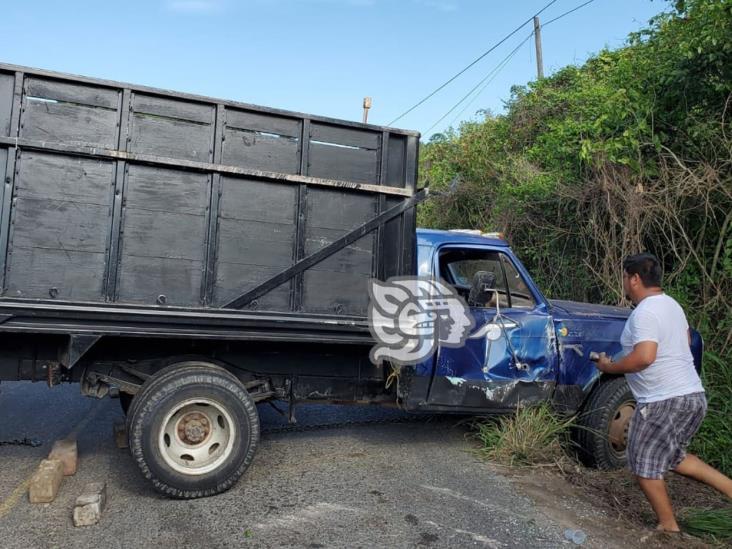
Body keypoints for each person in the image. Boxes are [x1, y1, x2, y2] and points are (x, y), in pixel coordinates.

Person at [595, 253, 732, 533]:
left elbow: (645, 357)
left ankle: (668, 527)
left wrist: (611, 367)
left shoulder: (644, 312)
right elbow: (683, 343)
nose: (623, 282)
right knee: (674, 457)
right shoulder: (673, 306)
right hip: (692, 396)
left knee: (643, 465)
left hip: (664, 400)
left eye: (624, 277)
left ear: (634, 279)